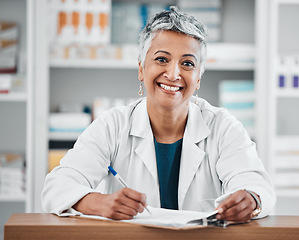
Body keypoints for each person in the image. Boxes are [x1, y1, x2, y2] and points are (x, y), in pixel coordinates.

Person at [42, 6, 276, 223]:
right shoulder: (113, 125)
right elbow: (57, 186)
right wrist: (100, 203)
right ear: (142, 68)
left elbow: (257, 185)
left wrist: (251, 200)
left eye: (187, 63)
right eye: (162, 59)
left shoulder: (223, 127)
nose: (173, 74)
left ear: (198, 79)